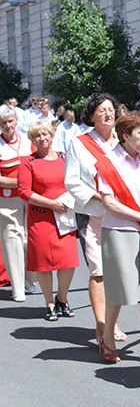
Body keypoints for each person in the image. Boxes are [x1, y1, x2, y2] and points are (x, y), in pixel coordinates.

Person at [95, 112, 140, 365]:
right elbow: (109, 203)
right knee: (119, 290)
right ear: (126, 136)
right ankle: (107, 338)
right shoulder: (108, 162)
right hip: (118, 231)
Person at [65, 93, 125, 347]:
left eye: (110, 109)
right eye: (101, 110)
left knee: (119, 271)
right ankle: (102, 325)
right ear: (91, 116)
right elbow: (72, 181)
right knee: (99, 270)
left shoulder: (123, 142)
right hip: (93, 214)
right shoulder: (79, 144)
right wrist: (99, 197)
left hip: (122, 215)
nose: (108, 113)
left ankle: (112, 321)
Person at [17, 120, 79, 321]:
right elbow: (24, 192)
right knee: (44, 263)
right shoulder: (28, 162)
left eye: (45, 134)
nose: (42, 139)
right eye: (37, 136)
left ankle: (63, 298)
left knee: (68, 261)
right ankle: (49, 302)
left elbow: (75, 181)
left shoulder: (64, 157)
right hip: (41, 218)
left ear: (52, 136)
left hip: (64, 217)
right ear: (32, 139)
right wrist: (50, 204)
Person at [0, 104, 37, 301]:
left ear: (16, 121)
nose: (8, 126)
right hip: (6, 199)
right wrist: (19, 182)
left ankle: (29, 278)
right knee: (12, 240)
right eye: (4, 123)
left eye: (10, 121)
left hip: (29, 196)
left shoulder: (26, 141)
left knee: (28, 239)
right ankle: (17, 288)